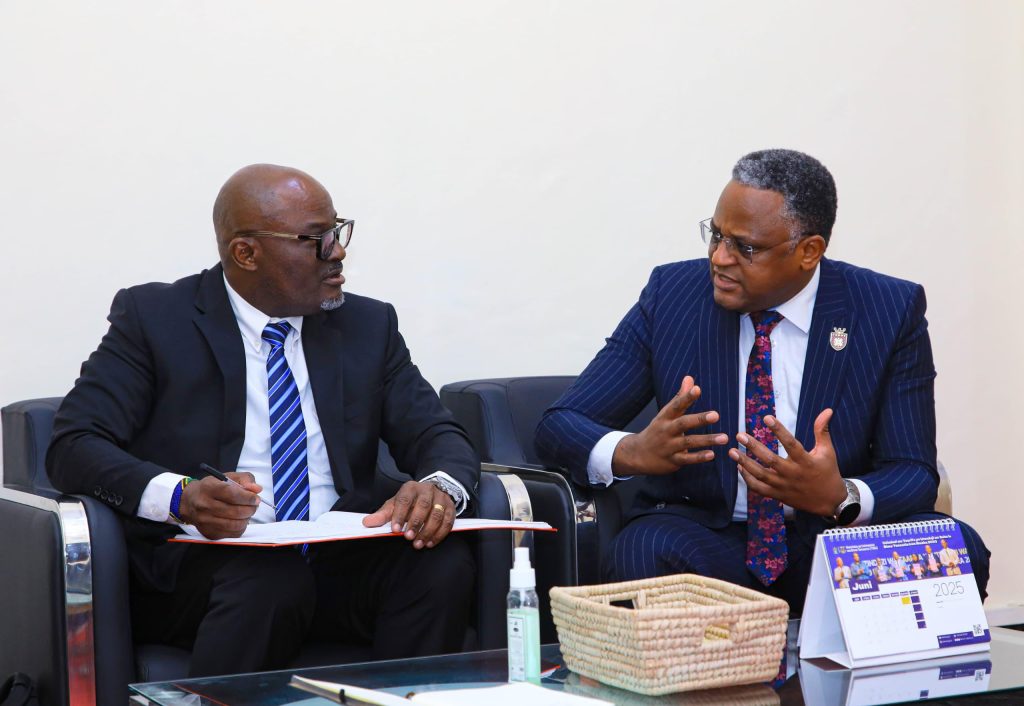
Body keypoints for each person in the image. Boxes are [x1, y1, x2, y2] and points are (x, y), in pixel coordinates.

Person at [46, 164, 480, 677]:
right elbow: (74, 444)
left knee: (439, 563)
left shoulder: (368, 324)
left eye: (338, 231)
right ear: (245, 253)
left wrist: (438, 488)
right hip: (209, 567)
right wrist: (181, 496)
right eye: (316, 239)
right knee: (271, 580)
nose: (337, 252)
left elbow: (434, 432)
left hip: (337, 558)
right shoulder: (155, 318)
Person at [534, 148, 990, 613]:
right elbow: (560, 423)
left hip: (836, 541)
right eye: (716, 235)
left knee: (957, 549)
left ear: (808, 251)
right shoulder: (674, 295)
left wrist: (841, 496)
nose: (719, 257)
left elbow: (913, 471)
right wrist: (631, 451)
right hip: (709, 539)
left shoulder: (887, 310)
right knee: (643, 549)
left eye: (745, 247)